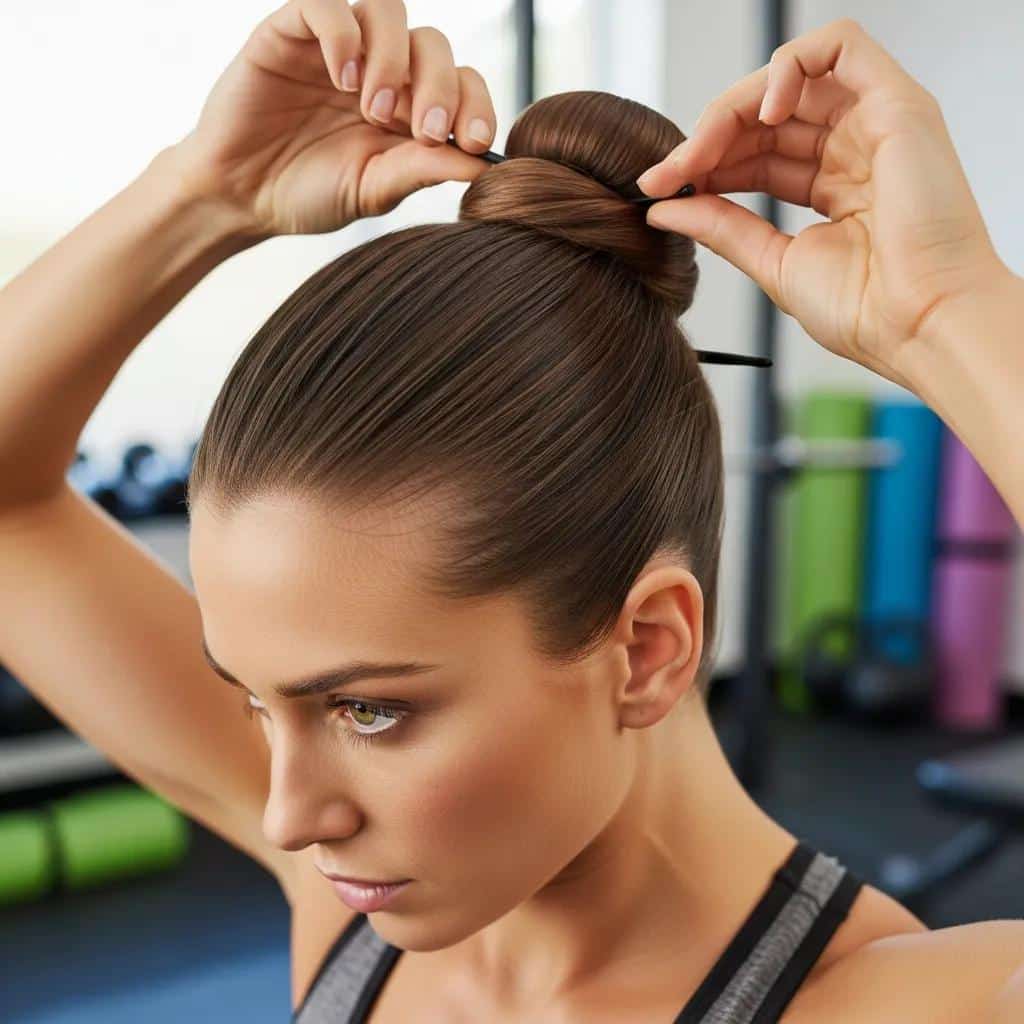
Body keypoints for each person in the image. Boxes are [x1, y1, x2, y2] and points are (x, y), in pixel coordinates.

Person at [0, 4, 1021, 1023]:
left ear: (649, 648)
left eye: (368, 710)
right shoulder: (360, 920)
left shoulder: (910, 1005)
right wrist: (200, 191)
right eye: (262, 706)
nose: (286, 814)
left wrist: (946, 310)